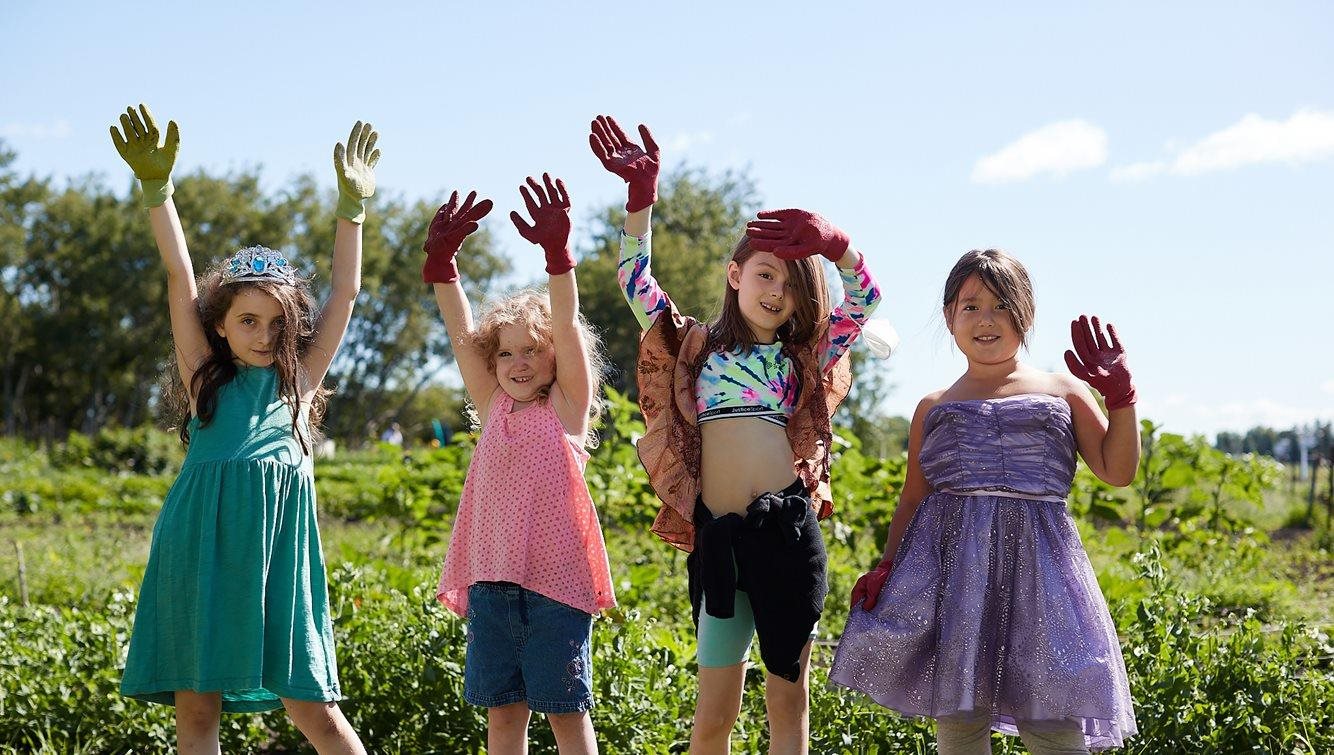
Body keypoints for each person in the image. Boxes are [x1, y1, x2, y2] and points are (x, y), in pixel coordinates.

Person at [588, 114, 880, 753]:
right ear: (734, 275)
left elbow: (866, 297)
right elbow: (635, 279)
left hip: (786, 537)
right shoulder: (695, 349)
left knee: (788, 707)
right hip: (719, 543)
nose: (777, 291)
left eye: (793, 284)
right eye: (766, 274)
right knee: (712, 718)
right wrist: (641, 201)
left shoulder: (804, 357)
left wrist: (836, 247)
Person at [112, 104, 376, 754]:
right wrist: (158, 191)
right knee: (196, 710)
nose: (263, 334)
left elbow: (344, 294)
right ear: (220, 324)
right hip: (198, 551)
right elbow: (179, 274)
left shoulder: (298, 385)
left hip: (278, 565)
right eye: (248, 320)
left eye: (276, 322)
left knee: (315, 709)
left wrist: (352, 209)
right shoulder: (207, 378)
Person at [830, 249, 1140, 754]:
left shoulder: (1063, 391)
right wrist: (888, 566)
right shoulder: (932, 407)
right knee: (958, 723)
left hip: (1044, 582)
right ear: (950, 317)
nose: (986, 319)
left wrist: (1122, 399)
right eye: (970, 306)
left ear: (1026, 314)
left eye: (1001, 305)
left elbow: (1118, 470)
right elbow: (913, 500)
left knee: (1054, 718)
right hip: (957, 580)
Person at [426, 175, 615, 755]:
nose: (517, 361)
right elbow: (461, 337)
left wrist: (558, 260)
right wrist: (442, 270)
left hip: (557, 588)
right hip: (494, 583)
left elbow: (564, 323)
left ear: (556, 356)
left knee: (565, 714)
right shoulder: (494, 406)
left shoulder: (565, 409)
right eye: (505, 352)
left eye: (531, 349)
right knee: (503, 718)